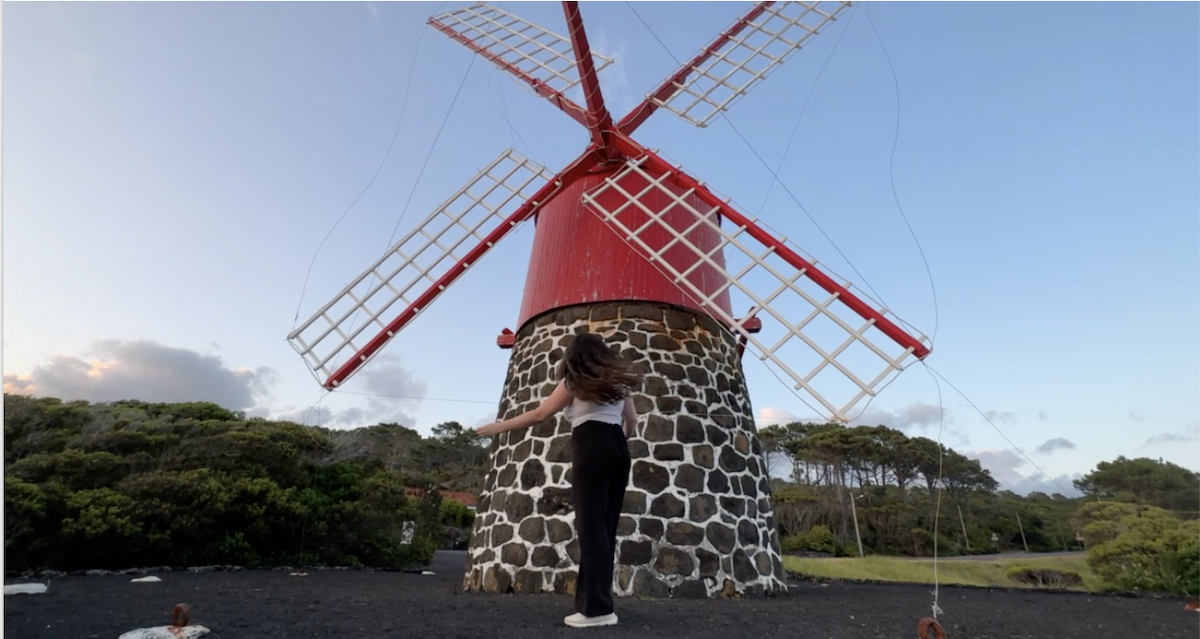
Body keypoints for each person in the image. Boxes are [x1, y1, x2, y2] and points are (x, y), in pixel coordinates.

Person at [475, 331, 642, 628]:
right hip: (618, 446)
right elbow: (633, 421)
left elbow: (540, 414)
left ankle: (596, 610)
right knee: (606, 526)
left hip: (591, 444)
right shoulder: (620, 381)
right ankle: (602, 603)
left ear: (574, 356)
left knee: (590, 528)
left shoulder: (574, 382)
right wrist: (616, 445)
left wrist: (497, 427)